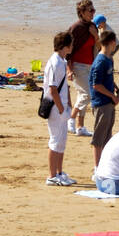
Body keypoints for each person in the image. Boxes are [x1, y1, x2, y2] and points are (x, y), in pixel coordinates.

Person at [43, 32, 77, 186]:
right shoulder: (55, 62)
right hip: (56, 108)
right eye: (71, 44)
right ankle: (51, 176)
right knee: (55, 141)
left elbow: (64, 87)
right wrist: (62, 109)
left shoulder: (62, 61)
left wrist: (69, 104)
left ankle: (59, 172)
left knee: (62, 141)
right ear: (65, 45)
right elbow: (52, 89)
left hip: (62, 106)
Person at [90, 29, 119, 163]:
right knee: (99, 138)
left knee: (107, 136)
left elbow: (107, 78)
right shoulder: (100, 61)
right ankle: (97, 168)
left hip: (108, 102)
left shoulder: (109, 59)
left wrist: (116, 88)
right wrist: (112, 96)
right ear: (112, 42)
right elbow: (96, 85)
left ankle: (105, 165)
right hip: (101, 103)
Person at [67, 0, 98, 140]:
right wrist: (69, 68)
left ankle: (80, 127)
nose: (93, 12)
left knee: (82, 96)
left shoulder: (93, 26)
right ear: (82, 12)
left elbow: (98, 46)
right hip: (77, 65)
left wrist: (95, 35)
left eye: (93, 10)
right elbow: (67, 50)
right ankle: (71, 119)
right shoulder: (76, 28)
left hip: (91, 65)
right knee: (88, 95)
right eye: (90, 10)